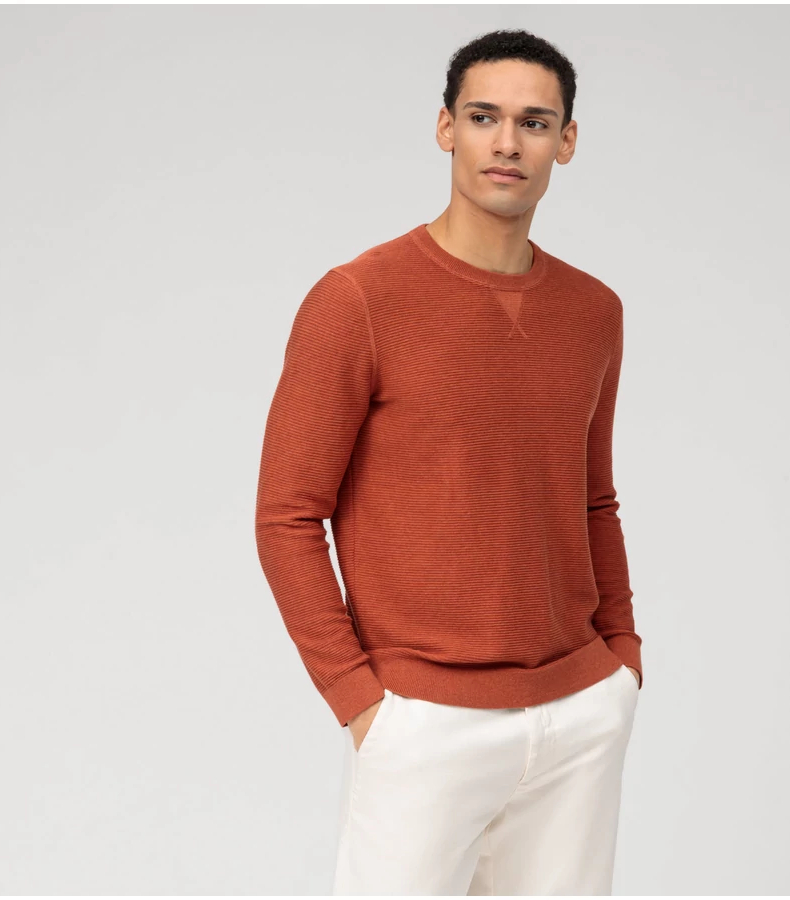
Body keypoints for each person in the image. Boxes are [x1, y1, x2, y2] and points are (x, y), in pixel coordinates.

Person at [255, 27, 643, 896]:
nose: (508, 143)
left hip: (579, 716)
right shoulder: (357, 299)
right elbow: (286, 515)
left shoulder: (594, 311)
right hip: (424, 722)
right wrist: (361, 700)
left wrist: (621, 660)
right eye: (483, 117)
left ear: (566, 142)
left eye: (534, 123)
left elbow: (592, 499)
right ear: (445, 128)